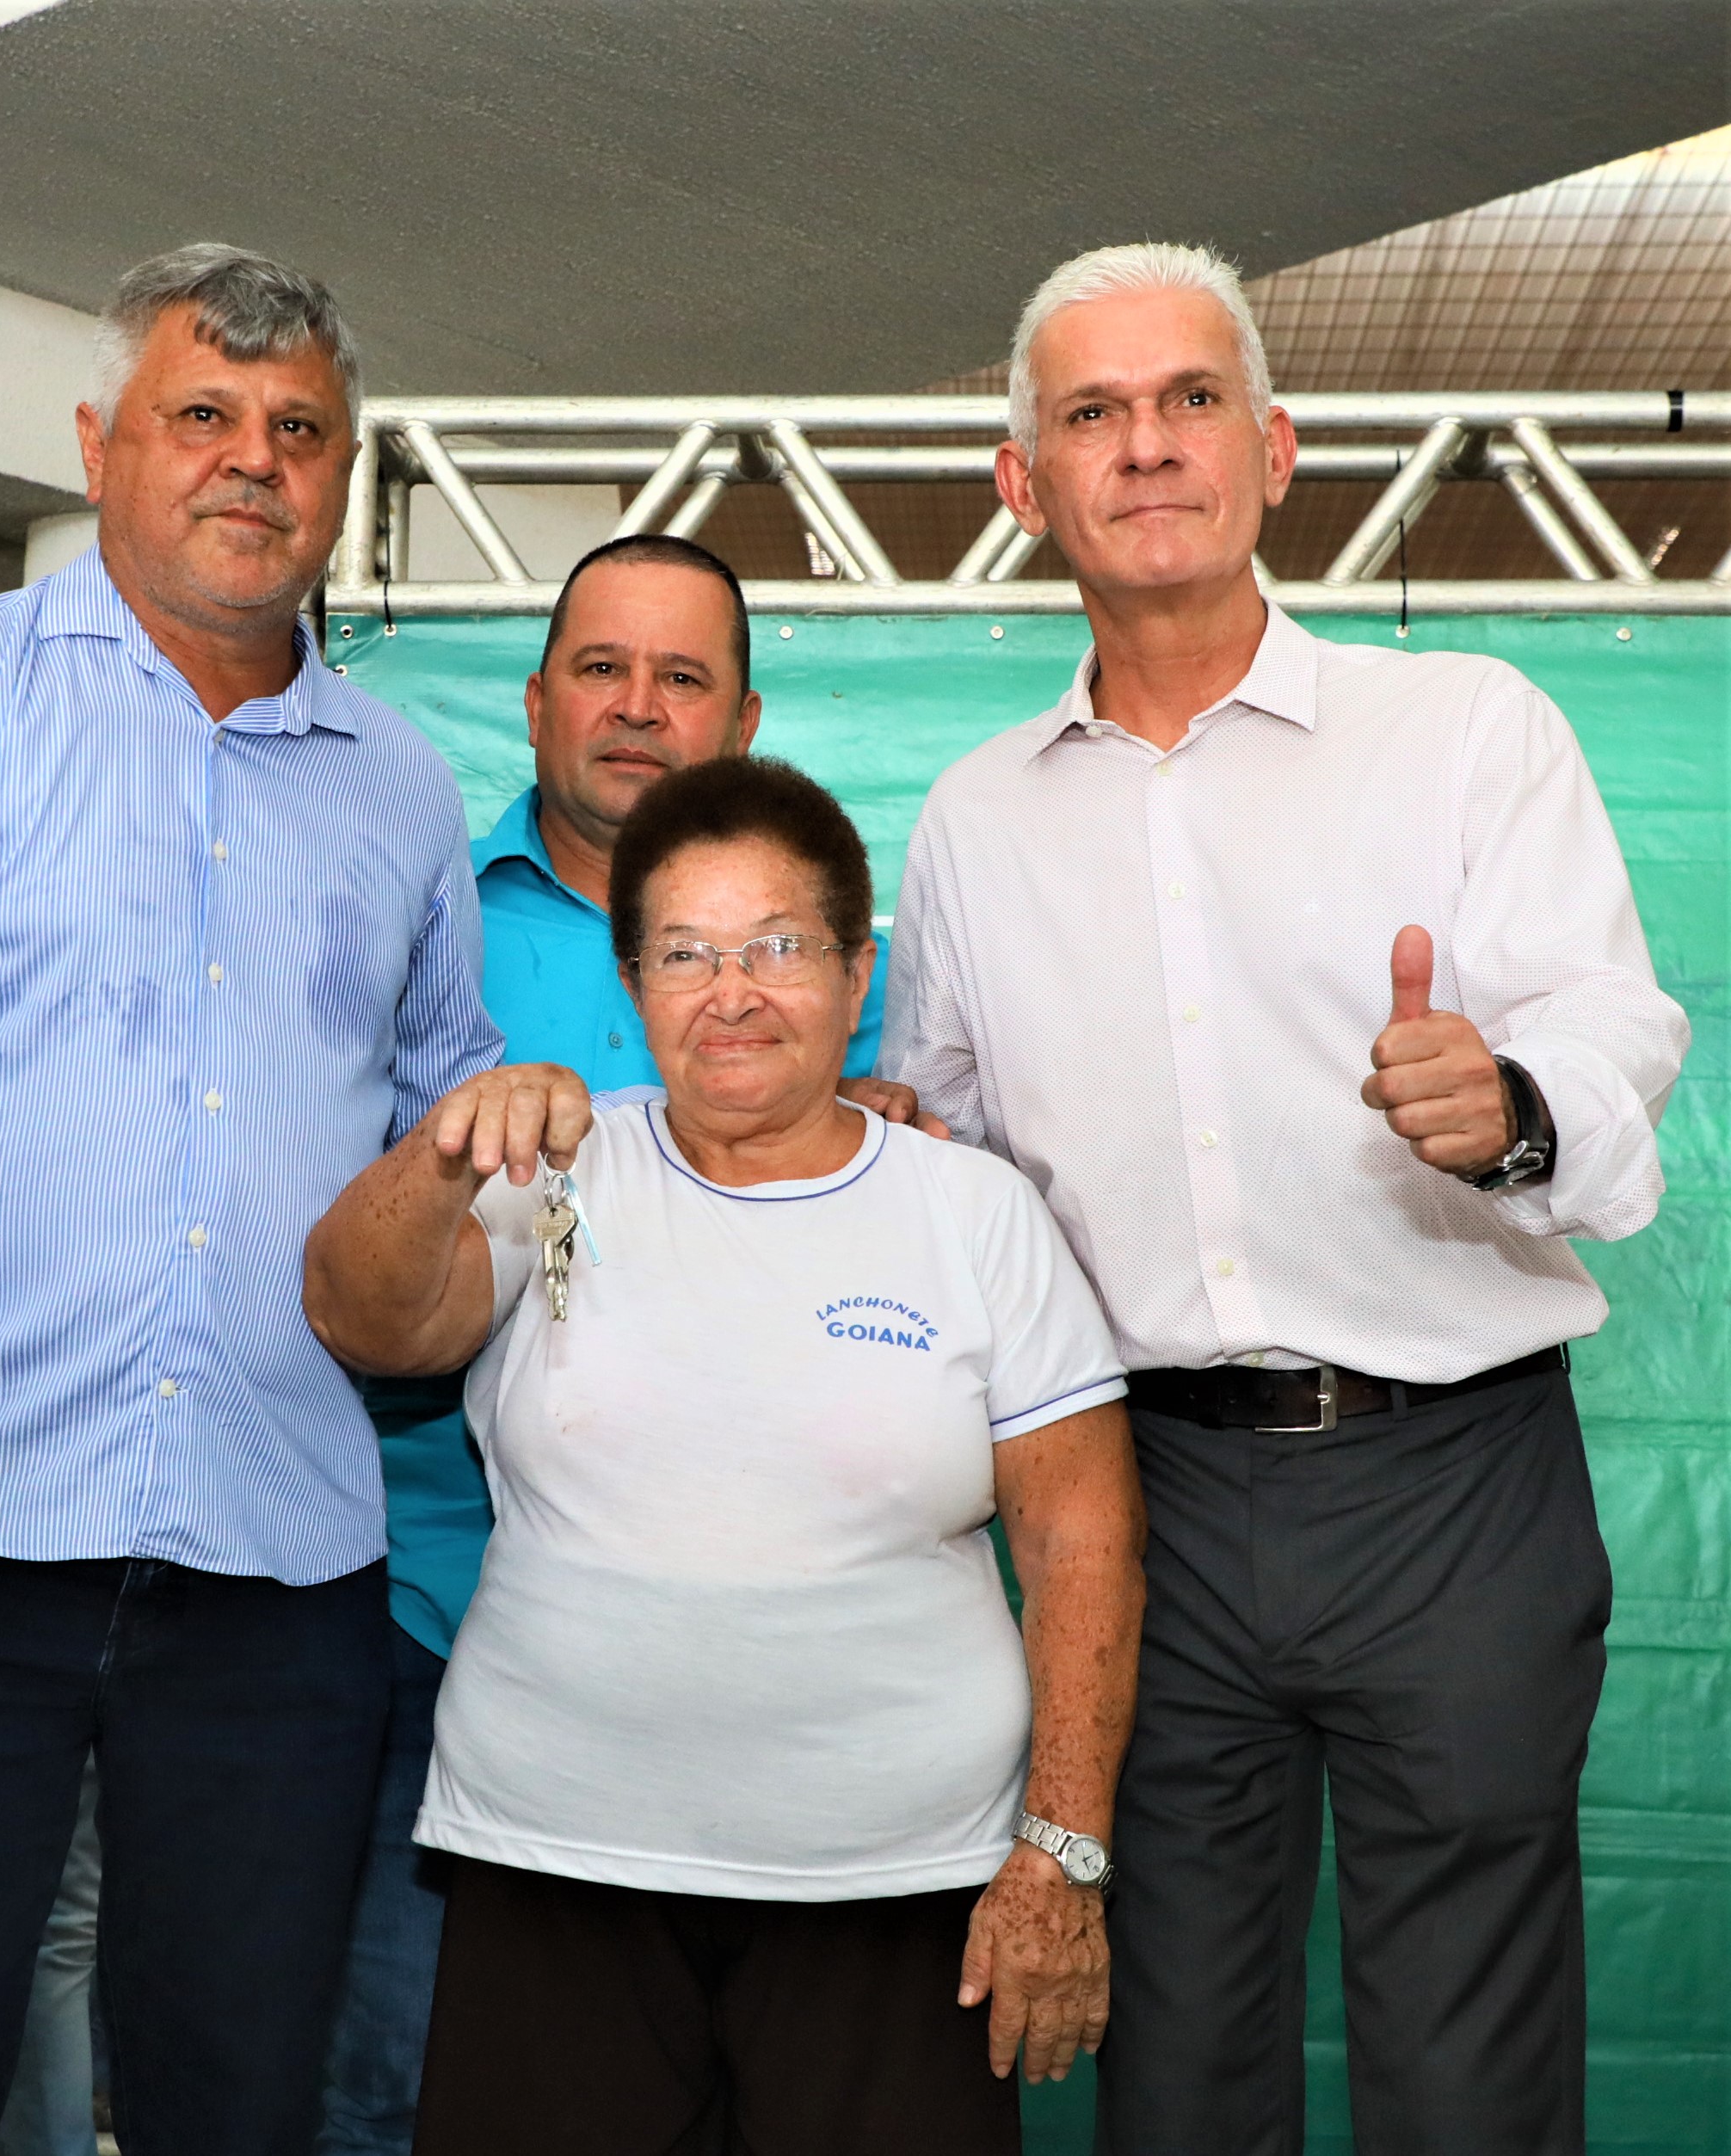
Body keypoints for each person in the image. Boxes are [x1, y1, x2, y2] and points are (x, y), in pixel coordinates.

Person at [0, 243, 501, 2154]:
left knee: (237, 2105)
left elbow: (440, 1147)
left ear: (347, 471)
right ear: (98, 443)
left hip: (281, 1573)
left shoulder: (399, 789)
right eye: (200, 413)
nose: (251, 460)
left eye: (298, 428)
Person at [878, 243, 1690, 2155]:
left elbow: (1611, 1020)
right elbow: (956, 1157)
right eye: (1092, 412)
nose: (1146, 444)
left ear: (1275, 448)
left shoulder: (1468, 725)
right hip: (1139, 1500)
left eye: (1188, 400)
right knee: (1172, 2060)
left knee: (1467, 2075)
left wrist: (1505, 1104)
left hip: (1454, 1482)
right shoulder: (975, 819)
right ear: (1022, 483)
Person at [305, 755, 1145, 2153]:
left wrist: (1060, 1852)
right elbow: (365, 1319)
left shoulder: (974, 1210)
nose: (732, 991)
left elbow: (1082, 1543)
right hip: (557, 1869)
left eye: (778, 947)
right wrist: (442, 1156)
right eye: (686, 953)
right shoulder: (554, 1173)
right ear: (636, 984)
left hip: (897, 1890)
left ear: (858, 970)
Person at [321, 532, 914, 2153]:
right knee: (394, 2090)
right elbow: (347, 1253)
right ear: (534, 702)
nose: (638, 706)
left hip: (744, 1653)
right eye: (601, 667)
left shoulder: (836, 967)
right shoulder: (418, 918)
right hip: (420, 1613)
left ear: (746, 717)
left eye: (682, 675)